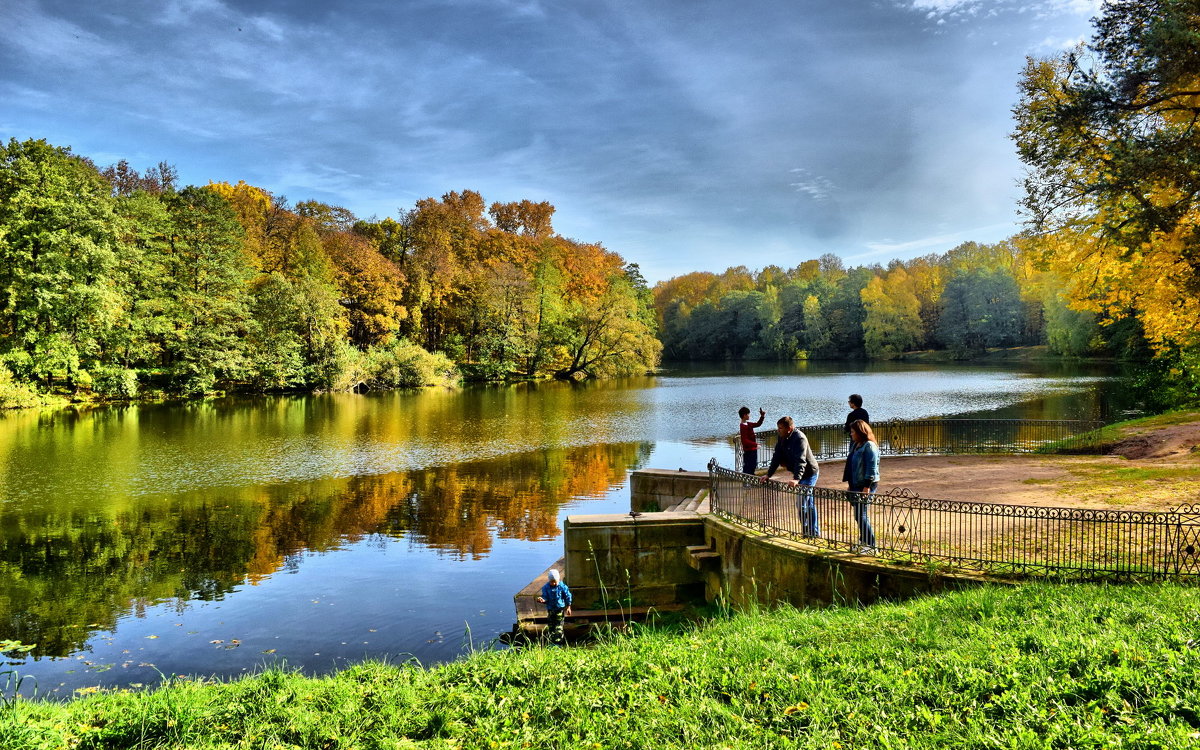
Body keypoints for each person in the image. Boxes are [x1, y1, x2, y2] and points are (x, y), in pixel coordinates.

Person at [764, 416, 820, 537]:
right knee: (806, 503)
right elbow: (776, 456)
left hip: (810, 473)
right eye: (777, 428)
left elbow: (801, 461)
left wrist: (796, 478)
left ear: (789, 429)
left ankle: (813, 533)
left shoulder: (800, 438)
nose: (778, 430)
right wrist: (768, 474)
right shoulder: (782, 437)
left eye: (780, 428)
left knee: (802, 503)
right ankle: (807, 532)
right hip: (800, 474)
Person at [845, 419, 880, 553]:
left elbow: (871, 468)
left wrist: (866, 487)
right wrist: (850, 485)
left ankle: (871, 546)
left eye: (853, 432)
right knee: (859, 515)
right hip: (856, 484)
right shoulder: (857, 444)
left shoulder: (869, 446)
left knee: (861, 514)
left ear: (860, 432)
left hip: (866, 484)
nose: (851, 434)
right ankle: (863, 541)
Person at [536, 568, 572, 644]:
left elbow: (568, 596)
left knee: (558, 627)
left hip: (559, 609)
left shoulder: (562, 586)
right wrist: (542, 599)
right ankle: (552, 642)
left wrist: (568, 607)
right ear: (549, 580)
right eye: (552, 582)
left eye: (555, 581)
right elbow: (545, 597)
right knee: (551, 626)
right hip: (551, 610)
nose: (554, 583)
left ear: (558, 580)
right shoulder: (546, 587)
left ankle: (559, 643)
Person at [738, 406, 766, 474]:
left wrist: (762, 416)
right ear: (744, 415)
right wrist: (756, 444)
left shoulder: (748, 424)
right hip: (748, 450)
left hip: (753, 449)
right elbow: (744, 440)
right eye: (748, 414)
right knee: (748, 466)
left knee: (753, 465)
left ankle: (751, 480)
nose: (749, 415)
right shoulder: (743, 426)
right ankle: (747, 482)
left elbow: (758, 424)